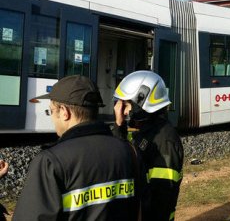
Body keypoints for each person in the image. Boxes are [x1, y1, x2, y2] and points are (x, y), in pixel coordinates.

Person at [13, 75, 139, 221]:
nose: (52, 118)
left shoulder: (50, 162)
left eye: (51, 111)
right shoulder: (130, 152)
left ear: (65, 112)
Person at [112, 70, 184, 221]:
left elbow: (161, 198)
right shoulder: (144, 131)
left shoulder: (165, 142)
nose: (121, 110)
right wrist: (119, 126)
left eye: (125, 104)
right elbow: (121, 157)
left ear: (141, 101)